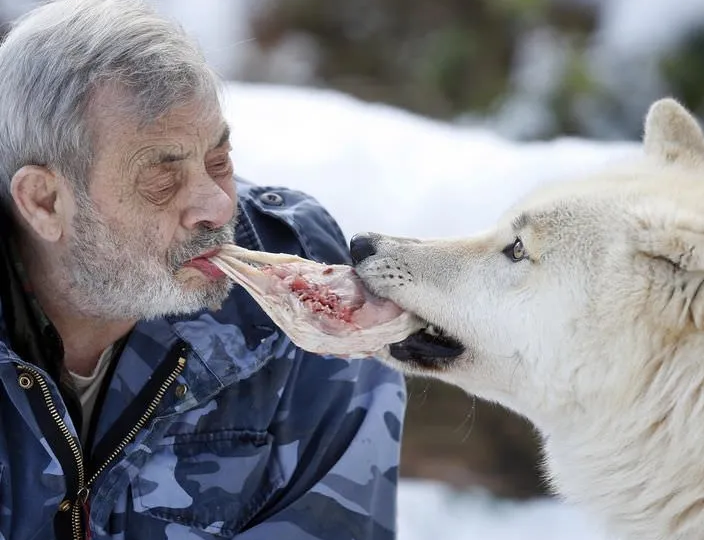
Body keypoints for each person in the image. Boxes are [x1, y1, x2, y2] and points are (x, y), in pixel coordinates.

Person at [0, 0, 406, 538]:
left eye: (220, 162)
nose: (217, 206)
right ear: (44, 201)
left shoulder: (295, 281)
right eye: (161, 179)